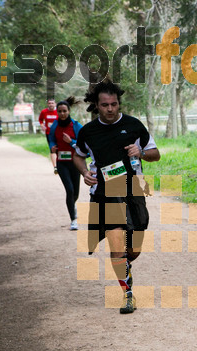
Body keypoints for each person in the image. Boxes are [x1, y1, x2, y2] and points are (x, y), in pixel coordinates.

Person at [72, 80, 160, 314]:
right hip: (105, 194)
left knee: (134, 248)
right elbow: (78, 156)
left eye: (114, 104)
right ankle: (127, 295)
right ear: (96, 106)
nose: (110, 109)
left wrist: (140, 152)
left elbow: (156, 154)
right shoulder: (88, 132)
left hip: (133, 191)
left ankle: (124, 266)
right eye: (105, 105)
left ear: (119, 103)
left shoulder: (133, 126)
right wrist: (84, 173)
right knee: (117, 247)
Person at [48, 97, 83, 230]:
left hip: (75, 162)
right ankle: (73, 219)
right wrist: (52, 147)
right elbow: (51, 139)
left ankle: (71, 205)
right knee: (69, 190)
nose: (62, 114)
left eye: (64, 111)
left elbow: (82, 144)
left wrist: (71, 142)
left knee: (76, 193)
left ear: (69, 111)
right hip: (62, 163)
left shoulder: (76, 125)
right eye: (60, 111)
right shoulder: (55, 125)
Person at [39, 98, 59, 174]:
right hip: (49, 134)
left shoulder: (58, 111)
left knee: (59, 149)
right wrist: (42, 125)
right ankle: (55, 167)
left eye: (52, 103)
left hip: (58, 133)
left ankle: (60, 165)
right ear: (47, 104)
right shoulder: (44, 112)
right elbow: (40, 119)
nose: (51, 105)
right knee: (52, 149)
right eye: (49, 103)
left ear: (55, 104)